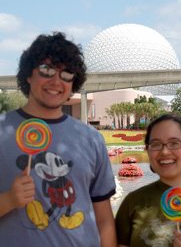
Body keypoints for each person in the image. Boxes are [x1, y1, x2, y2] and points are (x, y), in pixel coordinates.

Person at [0, 32, 117, 247]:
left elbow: (104, 220)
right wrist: (8, 200)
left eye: (66, 74)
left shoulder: (91, 139)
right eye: (47, 70)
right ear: (28, 74)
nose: (56, 81)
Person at [115, 113, 181, 247]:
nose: (165, 152)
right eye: (155, 144)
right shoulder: (132, 202)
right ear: (147, 150)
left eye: (174, 143)